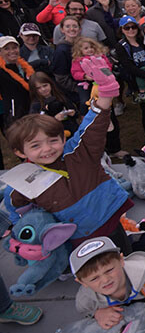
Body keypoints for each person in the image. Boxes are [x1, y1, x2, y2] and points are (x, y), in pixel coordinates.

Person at [5, 56, 134, 253]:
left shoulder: (78, 151)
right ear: (20, 152)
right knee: (92, 274)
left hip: (108, 220)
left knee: (125, 260)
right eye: (36, 145)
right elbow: (17, 208)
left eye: (53, 140)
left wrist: (106, 92)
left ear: (63, 139)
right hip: (75, 236)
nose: (47, 149)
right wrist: (27, 237)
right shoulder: (23, 180)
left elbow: (93, 126)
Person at [0, 36, 34, 128]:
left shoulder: (24, 67)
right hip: (14, 114)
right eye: (6, 49)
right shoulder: (1, 71)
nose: (12, 51)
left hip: (31, 109)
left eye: (14, 47)